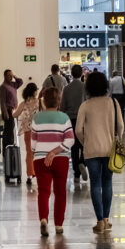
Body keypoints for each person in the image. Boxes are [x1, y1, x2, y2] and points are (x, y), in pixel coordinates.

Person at [76, 72, 124, 234]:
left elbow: (78, 130)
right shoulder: (113, 102)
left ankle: (99, 221)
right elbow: (121, 126)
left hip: (91, 150)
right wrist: (116, 139)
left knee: (95, 184)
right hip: (109, 149)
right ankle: (106, 219)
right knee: (107, 182)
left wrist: (85, 141)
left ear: (88, 87)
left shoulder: (85, 105)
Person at [31, 87, 75, 237]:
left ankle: (44, 219)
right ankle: (58, 225)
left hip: (40, 159)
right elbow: (70, 140)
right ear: (58, 101)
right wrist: (55, 151)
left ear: (44, 101)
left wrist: (45, 152)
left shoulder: (37, 118)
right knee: (60, 192)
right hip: (60, 159)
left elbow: (32, 145)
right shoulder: (64, 118)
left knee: (43, 192)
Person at [60, 65, 88, 184]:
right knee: (86, 144)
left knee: (74, 147)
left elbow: (62, 107)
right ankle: (83, 162)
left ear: (71, 74)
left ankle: (76, 174)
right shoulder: (85, 87)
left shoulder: (66, 88)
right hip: (84, 120)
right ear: (82, 73)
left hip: (71, 120)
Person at [14, 82, 39, 185]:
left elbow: (15, 114)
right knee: (39, 153)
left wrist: (12, 111)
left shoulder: (23, 103)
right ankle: (39, 173)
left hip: (28, 131)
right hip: (39, 131)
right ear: (34, 92)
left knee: (29, 153)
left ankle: (29, 175)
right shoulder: (39, 102)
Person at [0, 69, 23, 157]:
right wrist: (5, 113)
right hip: (8, 111)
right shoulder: (3, 87)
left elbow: (20, 82)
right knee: (8, 131)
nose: (10, 76)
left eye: (11, 75)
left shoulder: (13, 84)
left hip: (13, 110)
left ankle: (10, 147)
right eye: (9, 75)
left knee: (11, 129)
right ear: (5, 76)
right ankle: (6, 150)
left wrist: (14, 76)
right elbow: (2, 101)